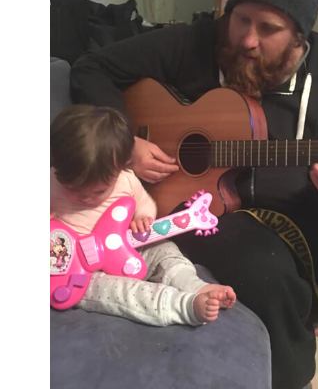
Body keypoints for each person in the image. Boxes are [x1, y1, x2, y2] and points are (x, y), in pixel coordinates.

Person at [70, 0, 318, 388]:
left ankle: (312, 307)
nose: (248, 40)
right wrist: (126, 142)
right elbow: (91, 67)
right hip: (203, 208)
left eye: (269, 28)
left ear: (299, 36)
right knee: (265, 271)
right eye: (240, 20)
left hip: (298, 206)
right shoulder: (196, 41)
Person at [50, 104, 237, 327]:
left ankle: (194, 286)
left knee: (165, 250)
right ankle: (183, 306)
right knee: (120, 292)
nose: (86, 198)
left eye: (99, 191)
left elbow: (145, 203)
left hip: (125, 248)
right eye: (74, 189)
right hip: (79, 273)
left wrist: (143, 216)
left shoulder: (126, 180)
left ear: (120, 168)